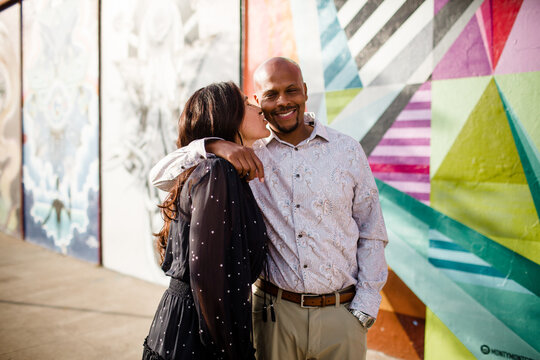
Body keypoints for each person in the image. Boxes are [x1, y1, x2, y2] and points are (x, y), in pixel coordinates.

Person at [150, 57, 388, 360]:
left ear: (305, 90)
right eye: (271, 95)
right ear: (257, 101)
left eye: (292, 91)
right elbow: (160, 177)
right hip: (273, 317)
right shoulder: (246, 154)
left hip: (342, 317)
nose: (283, 102)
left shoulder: (347, 150)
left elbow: (371, 229)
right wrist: (215, 145)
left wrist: (366, 304)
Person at [143, 82, 270, 360]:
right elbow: (210, 280)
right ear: (227, 116)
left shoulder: (219, 170)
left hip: (187, 326)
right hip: (198, 334)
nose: (258, 108)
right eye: (248, 104)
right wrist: (232, 351)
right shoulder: (216, 171)